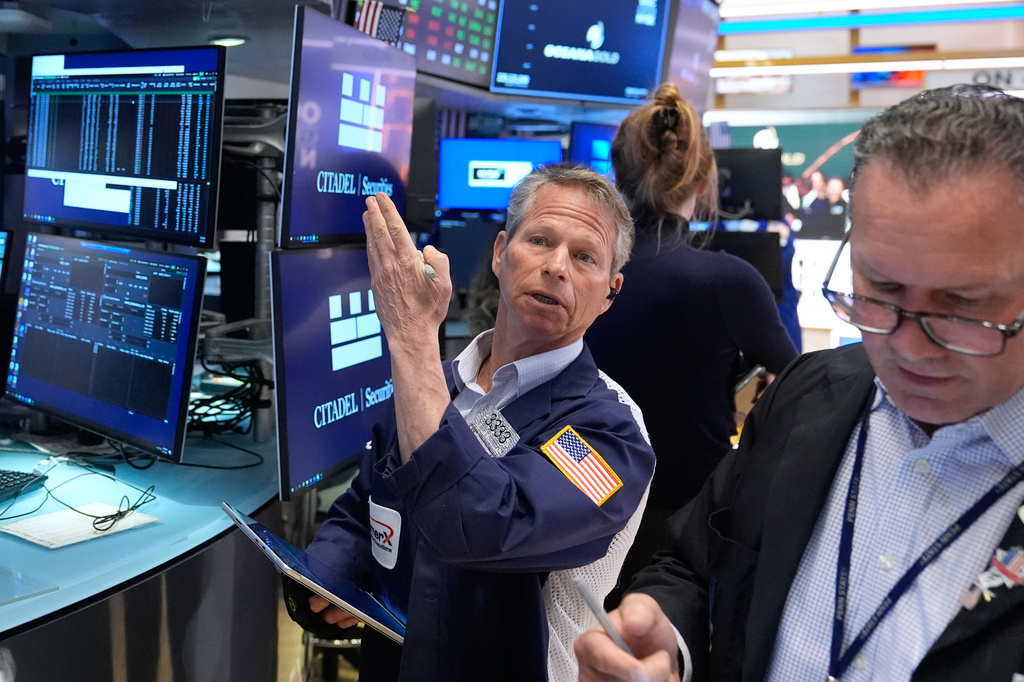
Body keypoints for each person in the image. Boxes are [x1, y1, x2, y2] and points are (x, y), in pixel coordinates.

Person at [575, 83, 1024, 682]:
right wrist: (670, 637)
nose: (908, 348)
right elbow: (694, 566)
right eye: (880, 290)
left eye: (962, 306)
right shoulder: (809, 394)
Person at [300, 163, 656, 682]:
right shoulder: (437, 380)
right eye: (540, 240)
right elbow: (367, 503)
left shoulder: (608, 431)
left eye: (585, 257)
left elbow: (480, 526)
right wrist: (324, 579)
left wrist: (413, 337)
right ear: (500, 252)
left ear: (610, 292)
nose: (557, 266)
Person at [584, 82, 799, 607]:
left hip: (580, 509)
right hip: (688, 527)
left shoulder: (580, 271)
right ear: (704, 181)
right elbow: (804, 385)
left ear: (616, 176)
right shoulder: (728, 281)